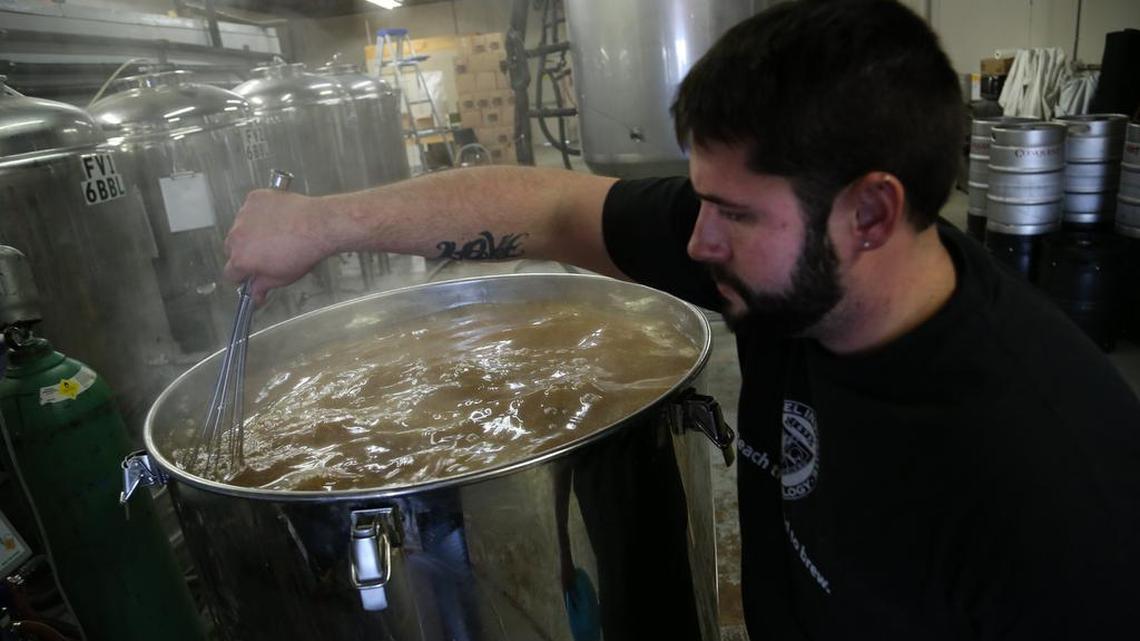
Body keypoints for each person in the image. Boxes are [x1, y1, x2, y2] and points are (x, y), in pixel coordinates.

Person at [225, 1, 1140, 638]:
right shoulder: (784, 274)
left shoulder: (1053, 489)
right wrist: (323, 222)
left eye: (734, 213)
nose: (695, 241)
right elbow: (548, 208)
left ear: (870, 213)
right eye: (699, 198)